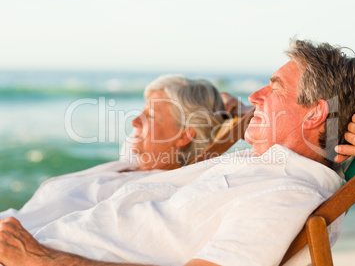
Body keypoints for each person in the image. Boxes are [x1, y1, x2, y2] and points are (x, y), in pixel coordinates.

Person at [0, 39, 355, 266]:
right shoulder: (262, 165)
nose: (256, 96)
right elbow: (240, 114)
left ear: (315, 112)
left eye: (274, 87)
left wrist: (40, 259)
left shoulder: (286, 195)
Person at [0, 74, 227, 233]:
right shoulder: (132, 163)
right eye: (143, 110)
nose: (136, 120)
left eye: (151, 115)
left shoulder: (147, 191)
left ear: (183, 136)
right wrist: (227, 109)